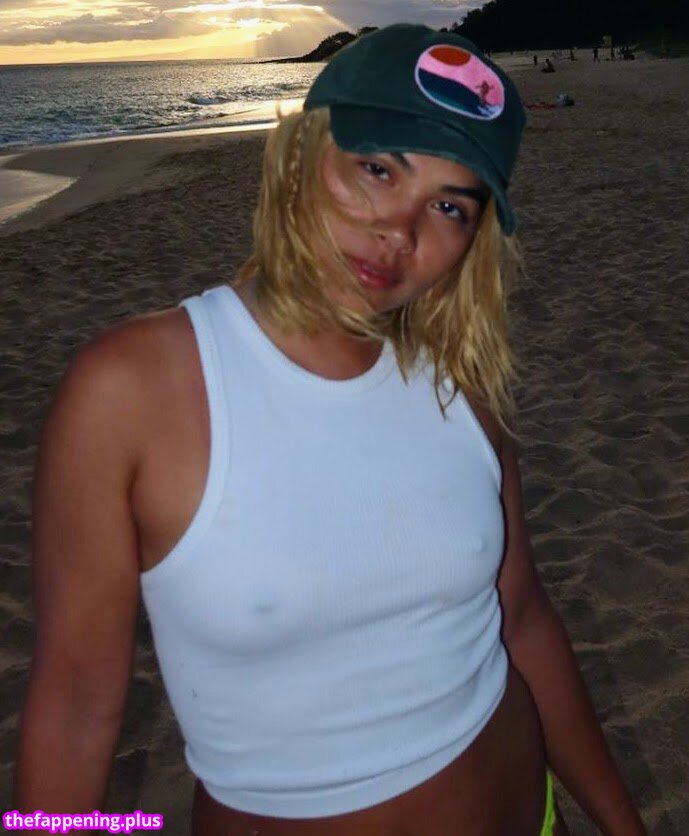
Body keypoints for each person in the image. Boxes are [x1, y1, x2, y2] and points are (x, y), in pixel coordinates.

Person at [14, 24, 647, 836]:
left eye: (447, 206)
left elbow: (519, 619)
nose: (398, 232)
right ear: (300, 156)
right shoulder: (130, 390)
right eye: (377, 169)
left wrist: (623, 825)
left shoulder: (459, 387)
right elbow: (75, 700)